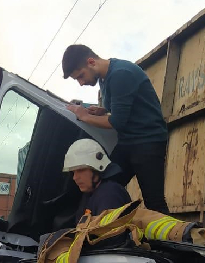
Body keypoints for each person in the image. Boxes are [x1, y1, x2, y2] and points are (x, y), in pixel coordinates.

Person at [62, 44, 170, 213]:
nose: (81, 83)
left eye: (80, 76)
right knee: (102, 183)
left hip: (148, 142)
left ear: (91, 62)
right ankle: (106, 228)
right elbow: (125, 107)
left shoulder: (121, 74)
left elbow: (117, 122)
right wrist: (103, 110)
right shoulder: (104, 80)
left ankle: (179, 237)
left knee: (154, 201)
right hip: (128, 142)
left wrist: (85, 116)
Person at [63, 138, 132, 223]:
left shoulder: (109, 195)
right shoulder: (91, 193)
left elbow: (108, 234)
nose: (75, 177)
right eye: (73, 172)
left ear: (97, 168)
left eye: (80, 170)